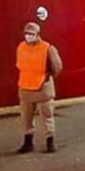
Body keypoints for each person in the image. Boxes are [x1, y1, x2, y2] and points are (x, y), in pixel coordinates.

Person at [15, 22, 64, 154]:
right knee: (26, 118)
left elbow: (57, 66)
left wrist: (47, 76)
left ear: (37, 35)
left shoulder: (47, 48)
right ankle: (28, 142)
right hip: (25, 88)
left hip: (42, 88)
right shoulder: (21, 47)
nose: (28, 36)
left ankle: (49, 142)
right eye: (26, 34)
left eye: (31, 34)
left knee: (46, 116)